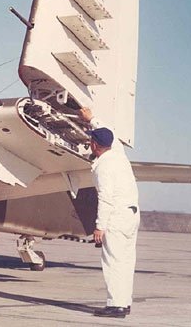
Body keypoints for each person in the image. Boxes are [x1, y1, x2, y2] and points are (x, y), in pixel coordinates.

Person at [79, 108, 139, 318]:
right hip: (131, 215)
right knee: (125, 261)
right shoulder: (118, 154)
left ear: (95, 145)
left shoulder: (104, 167)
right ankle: (125, 302)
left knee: (113, 261)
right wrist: (91, 119)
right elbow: (110, 132)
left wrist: (99, 226)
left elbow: (106, 198)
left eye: (90, 142)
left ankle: (116, 306)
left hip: (115, 216)